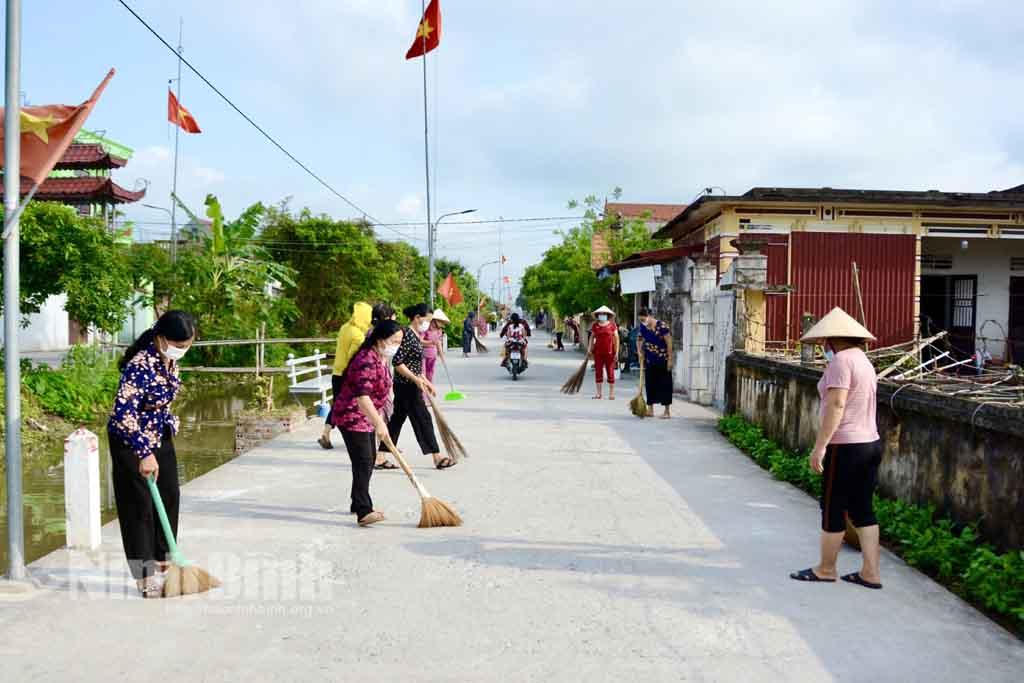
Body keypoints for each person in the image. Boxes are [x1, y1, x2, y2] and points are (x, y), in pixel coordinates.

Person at [790, 308, 883, 590]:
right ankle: (870, 572)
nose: (822, 347)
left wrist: (820, 447)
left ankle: (826, 568)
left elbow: (836, 405)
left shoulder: (841, 362)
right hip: (869, 443)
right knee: (862, 508)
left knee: (832, 507)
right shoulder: (863, 361)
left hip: (845, 446)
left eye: (824, 341)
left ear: (834, 339)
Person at [107, 310, 196, 598]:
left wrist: (169, 421)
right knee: (140, 508)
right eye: (178, 345)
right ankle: (144, 578)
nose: (182, 351)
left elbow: (162, 400)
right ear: (160, 338)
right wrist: (143, 453)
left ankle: (165, 564)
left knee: (169, 496)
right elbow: (123, 414)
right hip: (129, 438)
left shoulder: (169, 361)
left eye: (187, 346)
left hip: (158, 433)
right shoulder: (140, 365)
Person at [330, 320, 404, 527]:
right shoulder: (365, 360)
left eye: (399, 341)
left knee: (368, 459)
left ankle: (357, 501)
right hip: (352, 415)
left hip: (367, 416)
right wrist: (380, 424)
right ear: (380, 339)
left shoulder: (379, 357)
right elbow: (362, 397)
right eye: (394, 341)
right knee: (364, 460)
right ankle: (363, 510)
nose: (396, 345)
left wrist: (378, 420)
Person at [380, 304, 452, 468]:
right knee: (423, 419)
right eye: (426, 320)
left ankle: (380, 456)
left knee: (397, 420)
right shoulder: (405, 334)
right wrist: (416, 380)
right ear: (417, 318)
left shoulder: (415, 335)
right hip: (406, 386)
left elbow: (414, 365)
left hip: (411, 384)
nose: (427, 323)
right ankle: (437, 456)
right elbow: (398, 363)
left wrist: (426, 382)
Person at [319, 301, 372, 450]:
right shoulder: (358, 335)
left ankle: (326, 433)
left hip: (336, 372)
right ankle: (331, 433)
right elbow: (352, 358)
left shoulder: (345, 328)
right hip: (345, 375)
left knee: (337, 404)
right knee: (345, 406)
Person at [637, 307, 674, 418]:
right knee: (650, 384)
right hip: (649, 360)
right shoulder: (643, 328)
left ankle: (667, 411)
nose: (643, 322)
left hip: (663, 360)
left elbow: (669, 343)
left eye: (644, 319)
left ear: (650, 316)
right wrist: (639, 352)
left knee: (665, 384)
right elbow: (639, 340)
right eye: (641, 320)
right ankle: (650, 409)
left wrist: (670, 359)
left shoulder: (662, 326)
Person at [588, 305, 620, 400]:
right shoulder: (595, 325)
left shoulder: (612, 325)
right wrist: (589, 349)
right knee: (598, 372)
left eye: (604, 314)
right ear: (598, 315)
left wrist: (617, 352)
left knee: (610, 372)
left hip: (610, 353)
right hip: (598, 353)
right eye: (600, 314)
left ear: (607, 315)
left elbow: (617, 339)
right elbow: (591, 337)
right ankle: (599, 393)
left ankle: (611, 394)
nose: (602, 315)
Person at [420, 308, 450, 383]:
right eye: (440, 321)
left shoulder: (439, 331)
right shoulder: (425, 329)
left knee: (430, 374)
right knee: (423, 374)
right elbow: (420, 341)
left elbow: (438, 343)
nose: (441, 324)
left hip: (433, 355)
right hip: (423, 355)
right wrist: (431, 342)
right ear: (434, 320)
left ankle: (429, 392)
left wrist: (442, 355)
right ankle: (423, 393)